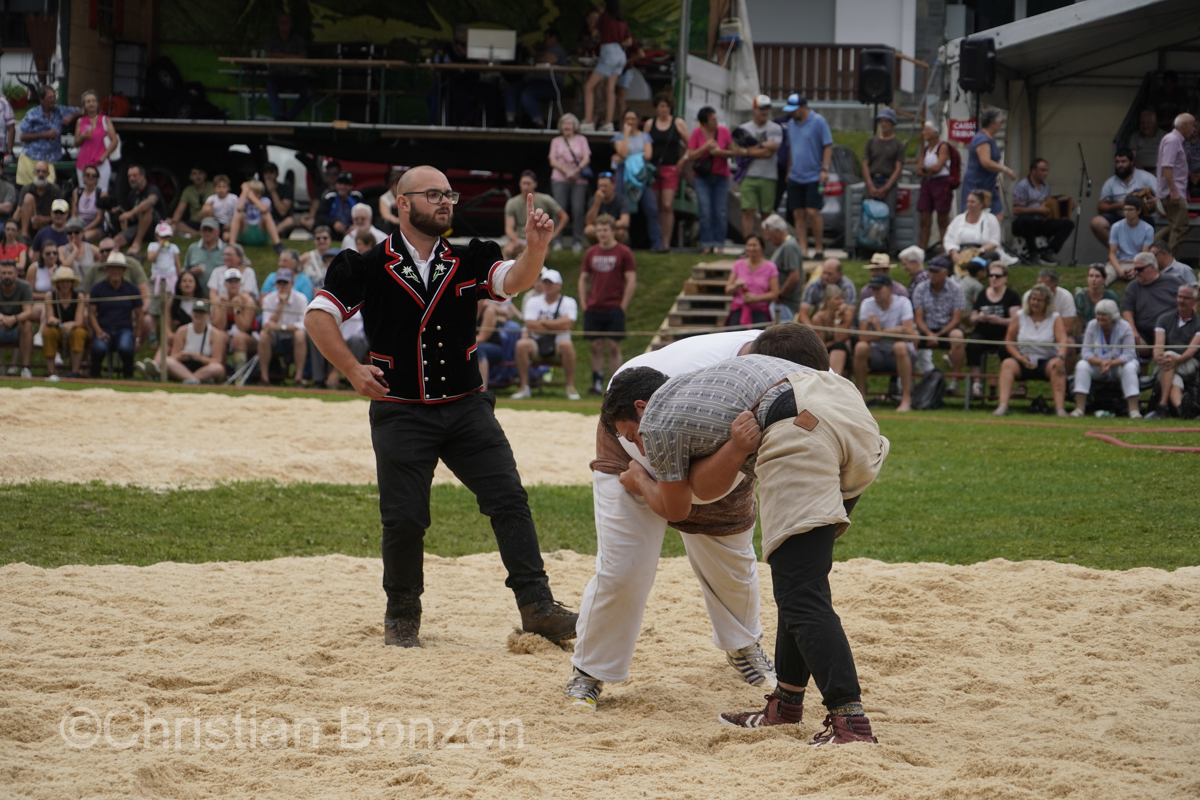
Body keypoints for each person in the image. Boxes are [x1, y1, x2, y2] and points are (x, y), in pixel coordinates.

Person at [305, 166, 579, 647]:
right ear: (402, 203)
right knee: (405, 518)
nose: (446, 202)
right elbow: (317, 316)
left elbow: (513, 280)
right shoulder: (365, 265)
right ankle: (403, 615)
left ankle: (537, 606)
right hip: (401, 410)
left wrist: (536, 247)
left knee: (510, 500)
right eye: (433, 195)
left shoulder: (470, 258)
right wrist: (351, 368)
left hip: (467, 406)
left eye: (448, 194)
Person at [602, 348, 888, 746]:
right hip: (852, 412)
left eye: (634, 436)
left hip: (799, 424)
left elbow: (677, 506)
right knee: (799, 583)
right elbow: (707, 484)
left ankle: (850, 723)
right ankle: (786, 704)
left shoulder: (660, 417)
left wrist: (640, 481)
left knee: (801, 593)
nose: (643, 449)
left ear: (641, 407)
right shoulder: (705, 388)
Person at [566, 326, 835, 711]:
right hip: (633, 436)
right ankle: (589, 670)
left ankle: (743, 645)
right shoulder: (683, 392)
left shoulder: (807, 364)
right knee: (623, 566)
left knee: (731, 557)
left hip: (724, 444)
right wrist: (642, 479)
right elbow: (682, 503)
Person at [579, 215, 636, 395]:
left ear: (613, 231)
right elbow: (583, 279)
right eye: (599, 230)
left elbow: (631, 280)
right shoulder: (591, 252)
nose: (601, 234)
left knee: (613, 346)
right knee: (595, 346)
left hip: (614, 305)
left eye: (605, 230)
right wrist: (584, 303)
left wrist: (623, 306)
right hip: (594, 306)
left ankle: (615, 384)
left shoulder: (624, 252)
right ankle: (596, 382)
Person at [995, 284, 1068, 417]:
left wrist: (1061, 357)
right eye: (1033, 299)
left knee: (1057, 367)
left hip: (1047, 360)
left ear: (1047, 302)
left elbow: (1063, 340)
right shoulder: (1020, 315)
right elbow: (1009, 341)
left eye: (1039, 300)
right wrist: (1019, 357)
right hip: (1024, 360)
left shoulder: (1055, 317)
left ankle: (1060, 409)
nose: (1035, 302)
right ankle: (1002, 406)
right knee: (1007, 364)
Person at [513, 269, 579, 399]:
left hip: (558, 343)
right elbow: (530, 325)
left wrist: (543, 322)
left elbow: (567, 325)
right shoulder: (533, 301)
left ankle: (570, 387)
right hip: (536, 343)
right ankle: (524, 386)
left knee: (567, 345)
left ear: (559, 285)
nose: (547, 286)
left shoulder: (568, 302)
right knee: (522, 344)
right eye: (545, 283)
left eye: (551, 283)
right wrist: (557, 324)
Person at [855, 273, 916, 412]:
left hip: (901, 354)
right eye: (873, 289)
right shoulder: (867, 304)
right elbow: (862, 337)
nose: (875, 292)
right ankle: (861, 397)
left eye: (878, 288)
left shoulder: (903, 302)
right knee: (860, 348)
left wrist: (878, 331)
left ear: (889, 289)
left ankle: (906, 398)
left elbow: (909, 334)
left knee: (900, 346)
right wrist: (889, 331)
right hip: (878, 353)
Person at [1071, 299, 1141, 419]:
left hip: (1119, 365)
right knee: (1082, 365)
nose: (1099, 317)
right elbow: (1086, 352)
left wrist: (1111, 363)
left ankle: (1134, 411)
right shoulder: (1092, 325)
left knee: (1129, 367)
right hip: (1098, 366)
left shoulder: (1125, 327)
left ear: (1113, 316)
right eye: (1098, 314)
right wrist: (1101, 362)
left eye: (1104, 315)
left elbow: (1129, 354)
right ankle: (1079, 409)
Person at [783, 93, 833, 259]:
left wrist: (824, 169)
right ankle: (803, 249)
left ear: (803, 108)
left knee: (812, 211)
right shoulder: (791, 124)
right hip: (796, 175)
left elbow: (827, 145)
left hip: (814, 175)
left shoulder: (819, 122)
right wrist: (789, 171)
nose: (791, 113)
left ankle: (818, 248)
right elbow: (792, 149)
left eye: (794, 110)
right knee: (798, 213)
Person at [611, 109, 664, 252]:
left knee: (651, 208)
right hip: (624, 174)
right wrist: (626, 136)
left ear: (638, 121)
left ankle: (657, 243)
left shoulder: (645, 137)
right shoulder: (618, 137)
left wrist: (627, 157)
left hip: (641, 175)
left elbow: (648, 155)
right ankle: (622, 244)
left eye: (633, 119)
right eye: (627, 119)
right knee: (624, 208)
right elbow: (623, 153)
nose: (630, 122)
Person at [966, 263, 1021, 399]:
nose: (993, 279)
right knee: (972, 345)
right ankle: (976, 384)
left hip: (1003, 333)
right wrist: (978, 318)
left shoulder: (1011, 296)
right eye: (991, 275)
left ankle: (1005, 384)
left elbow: (1016, 321)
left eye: (997, 276)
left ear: (1005, 278)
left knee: (1005, 348)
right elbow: (972, 318)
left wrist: (999, 320)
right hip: (983, 332)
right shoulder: (982, 294)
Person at [645, 93, 691, 251]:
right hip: (653, 168)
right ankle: (657, 240)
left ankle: (666, 241)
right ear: (657, 108)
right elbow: (645, 143)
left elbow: (691, 144)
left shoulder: (677, 123)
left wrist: (684, 158)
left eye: (667, 106)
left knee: (667, 204)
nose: (665, 109)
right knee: (655, 205)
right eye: (662, 106)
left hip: (671, 167)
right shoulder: (650, 124)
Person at [735, 95, 784, 238]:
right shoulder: (744, 129)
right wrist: (762, 146)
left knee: (766, 213)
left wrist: (749, 150)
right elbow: (739, 151)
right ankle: (748, 245)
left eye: (767, 108)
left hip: (768, 175)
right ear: (754, 109)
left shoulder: (775, 128)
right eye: (761, 108)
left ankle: (763, 246)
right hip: (748, 175)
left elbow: (769, 152)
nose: (764, 112)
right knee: (747, 211)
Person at [1147, 285, 1200, 419]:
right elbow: (1158, 344)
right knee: (1173, 378)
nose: (1181, 301)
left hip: (1187, 363)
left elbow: (1191, 350)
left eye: (1186, 298)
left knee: (1169, 358)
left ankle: (1162, 406)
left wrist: (1176, 359)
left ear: (1194, 301)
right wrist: (1159, 358)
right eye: (1179, 297)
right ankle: (1181, 409)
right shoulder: (1164, 319)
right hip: (1166, 364)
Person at [687, 106, 735, 254]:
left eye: (716, 118)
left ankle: (719, 244)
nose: (716, 121)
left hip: (721, 177)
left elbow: (734, 152)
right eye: (712, 119)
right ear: (704, 123)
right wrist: (705, 147)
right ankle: (706, 244)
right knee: (705, 211)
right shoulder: (696, 133)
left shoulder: (724, 132)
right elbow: (691, 155)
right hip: (702, 178)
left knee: (720, 212)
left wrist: (720, 152)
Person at [912, 256, 965, 386]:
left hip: (947, 329)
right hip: (925, 328)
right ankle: (909, 379)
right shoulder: (920, 288)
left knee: (957, 336)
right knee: (911, 336)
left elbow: (956, 319)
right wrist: (929, 334)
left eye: (936, 271)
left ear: (946, 272)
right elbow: (918, 318)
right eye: (931, 271)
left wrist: (938, 335)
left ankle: (955, 379)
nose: (932, 274)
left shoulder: (956, 289)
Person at [1010, 158, 1075, 266]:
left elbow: (1047, 205)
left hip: (1039, 221)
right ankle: (1033, 253)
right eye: (1043, 170)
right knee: (1028, 221)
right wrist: (1037, 210)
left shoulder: (1045, 187)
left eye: (1047, 170)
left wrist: (1066, 208)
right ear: (1033, 171)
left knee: (1068, 224)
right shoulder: (1022, 185)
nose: (1046, 173)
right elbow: (1016, 210)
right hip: (1022, 223)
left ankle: (1049, 251)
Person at [581, 0, 632, 132]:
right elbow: (629, 41)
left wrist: (599, 16)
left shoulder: (605, 17)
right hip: (621, 55)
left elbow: (593, 33)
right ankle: (608, 123)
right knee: (610, 88)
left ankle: (588, 121)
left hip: (609, 52)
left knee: (588, 87)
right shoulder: (622, 21)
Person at [87, 254, 141, 378]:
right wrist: (98, 332)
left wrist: (137, 337)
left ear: (124, 270)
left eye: (119, 268)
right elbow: (91, 313)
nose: (115, 271)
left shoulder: (133, 289)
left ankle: (128, 377)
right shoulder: (97, 288)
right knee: (98, 348)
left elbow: (139, 314)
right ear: (107, 269)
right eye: (112, 268)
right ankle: (94, 377)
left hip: (124, 329)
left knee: (126, 347)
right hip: (103, 328)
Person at [1090, 149, 1156, 247]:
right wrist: (1119, 205)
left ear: (1132, 162)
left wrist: (1153, 201)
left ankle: (1135, 254)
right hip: (1118, 215)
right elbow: (1101, 207)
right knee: (1096, 222)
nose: (1120, 165)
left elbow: (1161, 197)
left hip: (1141, 216)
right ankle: (1118, 251)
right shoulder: (1110, 182)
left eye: (1123, 162)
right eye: (1117, 162)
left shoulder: (1146, 177)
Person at [16, 86, 80, 187]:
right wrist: (44, 134)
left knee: (48, 189)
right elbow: (23, 137)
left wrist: (71, 116)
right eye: (50, 97)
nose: (53, 99)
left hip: (52, 158)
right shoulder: (32, 114)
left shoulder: (60, 111)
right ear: (41, 99)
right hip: (32, 157)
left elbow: (83, 110)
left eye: (54, 97)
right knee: (29, 190)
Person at [1122, 254, 1185, 355]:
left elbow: (1189, 302)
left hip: (1170, 331)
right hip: (1143, 333)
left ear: (1151, 267)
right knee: (1128, 341)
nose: (1136, 273)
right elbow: (1127, 312)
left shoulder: (1173, 282)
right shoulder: (1133, 287)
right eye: (1135, 269)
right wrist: (1133, 332)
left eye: (1140, 269)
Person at [505, 28, 568, 129]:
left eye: (547, 38)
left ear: (554, 38)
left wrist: (533, 55)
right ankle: (510, 122)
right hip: (533, 82)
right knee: (511, 89)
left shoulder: (557, 48)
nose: (545, 41)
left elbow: (546, 59)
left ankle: (539, 124)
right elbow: (539, 57)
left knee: (527, 94)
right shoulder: (545, 50)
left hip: (551, 84)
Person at [862, 108, 905, 254]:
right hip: (873, 180)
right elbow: (865, 163)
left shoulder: (898, 144)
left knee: (890, 217)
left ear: (892, 123)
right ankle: (867, 247)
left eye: (887, 121)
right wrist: (869, 184)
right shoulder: (871, 141)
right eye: (881, 121)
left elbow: (898, 168)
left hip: (889, 182)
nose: (883, 124)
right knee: (868, 215)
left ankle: (890, 250)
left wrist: (886, 187)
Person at [257, 267, 308, 386]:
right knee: (264, 335)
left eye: (285, 283)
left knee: (300, 334)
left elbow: (303, 325)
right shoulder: (268, 299)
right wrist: (281, 305)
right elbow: (266, 325)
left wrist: (280, 327)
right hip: (275, 338)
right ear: (275, 284)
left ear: (292, 284)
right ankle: (264, 378)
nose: (282, 286)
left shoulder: (301, 299)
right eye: (279, 283)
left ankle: (298, 378)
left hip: (293, 339)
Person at [962, 108, 1016, 221]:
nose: (1001, 125)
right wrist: (1006, 169)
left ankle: (992, 238)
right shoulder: (982, 139)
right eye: (1000, 122)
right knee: (976, 216)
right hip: (977, 183)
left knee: (997, 214)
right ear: (993, 123)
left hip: (989, 183)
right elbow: (985, 162)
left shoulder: (989, 138)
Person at [549, 114, 591, 254]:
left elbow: (586, 157)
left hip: (578, 179)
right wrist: (566, 171)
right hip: (560, 178)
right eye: (564, 123)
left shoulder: (582, 139)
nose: (567, 126)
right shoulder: (556, 140)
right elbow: (552, 160)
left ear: (575, 126)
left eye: (569, 123)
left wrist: (576, 171)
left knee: (578, 210)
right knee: (558, 210)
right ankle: (557, 240)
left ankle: (578, 241)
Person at [503, 171, 566, 259]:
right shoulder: (512, 203)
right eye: (523, 183)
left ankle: (539, 272)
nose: (525, 187)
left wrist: (553, 235)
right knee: (507, 251)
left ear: (535, 184)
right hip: (520, 238)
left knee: (543, 254)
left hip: (539, 238)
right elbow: (508, 228)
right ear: (519, 184)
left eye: (528, 183)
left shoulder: (545, 199)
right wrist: (516, 239)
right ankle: (508, 272)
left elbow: (564, 216)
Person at [1157, 113, 1196, 257]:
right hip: (1173, 193)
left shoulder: (1175, 140)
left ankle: (1151, 250)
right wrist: (1173, 191)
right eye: (1192, 125)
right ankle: (1169, 262)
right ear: (1184, 125)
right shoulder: (1173, 140)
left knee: (1175, 226)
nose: (1194, 129)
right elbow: (1167, 167)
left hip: (1176, 191)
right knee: (1179, 228)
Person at [164, 300, 228, 385]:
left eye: (202, 312)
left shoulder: (215, 334)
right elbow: (173, 356)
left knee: (218, 368)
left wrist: (202, 358)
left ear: (208, 315)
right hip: (185, 366)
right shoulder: (182, 331)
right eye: (196, 312)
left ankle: (189, 379)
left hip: (204, 368)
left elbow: (217, 360)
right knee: (167, 361)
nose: (198, 315)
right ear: (191, 314)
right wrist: (181, 356)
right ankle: (192, 379)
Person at [263, 13, 313, 121]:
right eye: (282, 22)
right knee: (270, 86)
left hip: (294, 77)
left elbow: (303, 58)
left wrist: (281, 55)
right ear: (278, 24)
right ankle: (278, 115)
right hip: (276, 76)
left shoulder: (298, 40)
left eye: (287, 22)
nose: (285, 24)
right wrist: (292, 57)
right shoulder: (271, 40)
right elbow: (267, 57)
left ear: (291, 24)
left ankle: (289, 117)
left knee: (308, 92)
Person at [42, 266, 88, 378]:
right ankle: (51, 372)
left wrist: (71, 324)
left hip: (74, 328)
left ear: (72, 283)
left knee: (79, 333)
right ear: (57, 283)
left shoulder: (79, 296)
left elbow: (79, 321)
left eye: (68, 281)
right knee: (48, 332)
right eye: (62, 281)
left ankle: (75, 371)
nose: (65, 284)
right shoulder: (50, 296)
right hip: (56, 328)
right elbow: (49, 318)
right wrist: (53, 320)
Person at [724, 234, 778, 328]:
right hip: (739, 311)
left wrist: (756, 298)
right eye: (749, 245)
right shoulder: (738, 264)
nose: (751, 248)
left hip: (759, 311)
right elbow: (728, 290)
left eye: (754, 245)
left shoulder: (770, 267)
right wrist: (736, 285)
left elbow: (775, 293)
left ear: (762, 248)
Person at [209, 268, 256, 371]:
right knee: (219, 336)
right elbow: (219, 326)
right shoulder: (219, 300)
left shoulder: (248, 301)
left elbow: (243, 328)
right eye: (230, 281)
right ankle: (221, 372)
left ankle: (239, 376)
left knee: (239, 338)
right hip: (227, 334)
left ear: (240, 284)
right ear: (225, 284)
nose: (233, 284)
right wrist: (224, 307)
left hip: (248, 337)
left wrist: (237, 309)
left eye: (236, 281)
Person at [915, 121, 953, 249]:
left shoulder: (942, 147)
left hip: (941, 183)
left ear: (935, 132)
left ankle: (945, 249)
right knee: (924, 219)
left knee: (942, 219)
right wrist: (927, 170)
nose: (923, 133)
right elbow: (918, 170)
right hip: (927, 183)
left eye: (926, 130)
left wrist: (925, 169)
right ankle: (922, 250)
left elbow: (938, 167)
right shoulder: (926, 149)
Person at [113, 164, 165, 256]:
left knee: (146, 209)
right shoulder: (131, 194)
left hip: (156, 228)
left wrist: (131, 213)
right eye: (129, 176)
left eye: (134, 176)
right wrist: (127, 216)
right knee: (117, 239)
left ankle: (137, 243)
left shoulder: (152, 189)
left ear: (142, 176)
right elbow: (131, 216)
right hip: (139, 226)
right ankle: (114, 252)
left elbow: (150, 202)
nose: (132, 179)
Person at [73, 89, 119, 192]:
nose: (91, 104)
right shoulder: (80, 121)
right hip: (83, 163)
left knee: (101, 192)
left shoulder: (105, 120)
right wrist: (82, 136)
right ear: (84, 105)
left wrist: (104, 155)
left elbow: (114, 141)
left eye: (93, 101)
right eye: (88, 101)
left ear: (97, 103)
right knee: (84, 192)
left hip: (100, 162)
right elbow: (76, 143)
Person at [761, 213, 803, 323]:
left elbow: (794, 276)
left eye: (769, 234)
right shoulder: (784, 245)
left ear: (778, 231)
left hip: (786, 305)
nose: (767, 238)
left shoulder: (789, 246)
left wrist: (779, 296)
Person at [311, 309, 367, 390]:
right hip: (333, 342)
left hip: (356, 343)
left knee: (356, 341)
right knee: (316, 338)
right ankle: (318, 380)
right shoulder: (330, 309)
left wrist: (335, 370)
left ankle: (352, 381)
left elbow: (344, 340)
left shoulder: (356, 312)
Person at [943, 189, 1004, 263]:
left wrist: (980, 250)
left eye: (972, 202)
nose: (969, 204)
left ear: (981, 204)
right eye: (968, 201)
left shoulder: (990, 219)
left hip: (981, 252)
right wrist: (954, 253)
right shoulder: (958, 219)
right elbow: (949, 239)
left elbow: (995, 241)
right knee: (940, 260)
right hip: (961, 251)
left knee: (992, 256)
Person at [1107, 199, 1156, 284]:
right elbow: (1112, 253)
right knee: (1104, 277)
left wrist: (1135, 268)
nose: (1127, 212)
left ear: (1138, 211)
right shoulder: (1116, 227)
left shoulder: (1148, 229)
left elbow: (1144, 254)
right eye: (1125, 209)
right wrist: (1119, 270)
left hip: (1137, 262)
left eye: (1130, 210)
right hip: (1119, 261)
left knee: (1144, 278)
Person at [145, 220, 182, 336]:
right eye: (162, 236)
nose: (165, 239)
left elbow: (177, 263)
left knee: (169, 305)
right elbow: (151, 259)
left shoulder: (173, 247)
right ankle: (153, 331)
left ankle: (168, 329)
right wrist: (160, 246)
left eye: (167, 236)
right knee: (154, 307)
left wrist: (179, 276)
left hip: (171, 279)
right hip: (157, 279)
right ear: (157, 236)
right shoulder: (152, 246)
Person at [228, 179, 282, 253]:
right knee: (238, 214)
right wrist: (244, 192)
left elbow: (264, 209)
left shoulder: (265, 200)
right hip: (246, 231)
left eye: (249, 192)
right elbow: (239, 208)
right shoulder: (245, 200)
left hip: (260, 231)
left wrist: (252, 197)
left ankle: (278, 244)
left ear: (259, 193)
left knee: (267, 215)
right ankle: (232, 246)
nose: (248, 195)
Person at [0, 260, 34, 377]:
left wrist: (13, 319)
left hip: (17, 328)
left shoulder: (24, 286)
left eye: (9, 273)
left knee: (27, 325)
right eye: (3, 273)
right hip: (1, 325)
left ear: (15, 274)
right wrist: (1, 317)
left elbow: (28, 312)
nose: (6, 276)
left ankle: (25, 368)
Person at [811, 285, 854, 375]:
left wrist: (837, 319)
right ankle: (833, 379)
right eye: (837, 299)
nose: (841, 302)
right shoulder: (818, 319)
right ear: (827, 301)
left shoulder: (847, 315)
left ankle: (834, 379)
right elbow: (820, 347)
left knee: (840, 345)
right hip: (825, 355)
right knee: (839, 346)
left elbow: (839, 338)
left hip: (844, 353)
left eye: (841, 298)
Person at [799, 257, 855, 325]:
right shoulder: (813, 286)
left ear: (840, 274)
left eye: (829, 274)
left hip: (842, 324)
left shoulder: (847, 287)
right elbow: (802, 313)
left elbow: (849, 314)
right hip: (820, 325)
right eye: (824, 273)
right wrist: (812, 333)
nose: (825, 277)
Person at [16, 160, 64, 239]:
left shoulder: (55, 190)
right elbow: (19, 210)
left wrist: (46, 219)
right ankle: (24, 236)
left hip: (48, 224)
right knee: (28, 197)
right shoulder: (26, 188)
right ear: (34, 172)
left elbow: (63, 213)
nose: (40, 174)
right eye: (38, 171)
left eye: (43, 172)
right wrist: (12, 224)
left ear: (48, 174)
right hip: (29, 223)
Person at [1075, 264, 1120, 339]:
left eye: (1097, 276)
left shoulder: (1111, 296)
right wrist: (1077, 339)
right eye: (1091, 276)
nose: (1093, 279)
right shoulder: (1081, 296)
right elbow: (1080, 320)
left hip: (1107, 333)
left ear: (1104, 279)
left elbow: (1116, 320)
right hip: (1086, 334)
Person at [313, 173, 363, 239]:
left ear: (351, 186)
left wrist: (356, 225)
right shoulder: (330, 197)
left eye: (345, 184)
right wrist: (334, 223)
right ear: (336, 185)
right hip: (333, 228)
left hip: (352, 228)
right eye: (340, 183)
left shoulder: (357, 197)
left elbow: (365, 214)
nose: (342, 187)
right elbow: (319, 216)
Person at [583, 173, 629, 243]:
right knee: (588, 230)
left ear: (614, 186)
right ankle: (597, 250)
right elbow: (588, 222)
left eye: (605, 186)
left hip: (614, 229)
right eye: (600, 186)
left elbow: (625, 222)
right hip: (598, 229)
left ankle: (617, 251)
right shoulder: (593, 199)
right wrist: (597, 202)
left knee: (621, 233)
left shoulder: (621, 200)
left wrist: (607, 228)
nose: (602, 189)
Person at [171, 166, 214, 236]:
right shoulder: (188, 190)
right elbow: (180, 210)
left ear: (205, 175)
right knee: (169, 221)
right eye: (194, 174)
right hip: (193, 222)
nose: (198, 176)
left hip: (209, 221)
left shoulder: (213, 187)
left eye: (200, 173)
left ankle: (195, 233)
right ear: (190, 177)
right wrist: (174, 223)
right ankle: (196, 233)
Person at [183, 218, 225, 286]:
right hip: (196, 293)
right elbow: (184, 271)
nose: (207, 233)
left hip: (219, 292)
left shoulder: (226, 249)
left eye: (210, 230)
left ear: (217, 232)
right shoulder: (193, 248)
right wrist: (191, 271)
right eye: (204, 230)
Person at [71, 164, 106, 242]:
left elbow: (99, 218)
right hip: (78, 223)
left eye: (94, 175)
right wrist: (75, 227)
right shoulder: (77, 192)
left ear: (97, 178)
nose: (90, 177)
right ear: (83, 177)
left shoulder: (101, 194)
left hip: (95, 226)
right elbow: (73, 214)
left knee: (82, 238)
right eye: (87, 175)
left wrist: (84, 229)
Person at [262, 162, 295, 238]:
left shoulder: (286, 189)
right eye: (266, 173)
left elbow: (283, 212)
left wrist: (273, 191)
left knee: (290, 221)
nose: (269, 175)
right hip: (263, 221)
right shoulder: (260, 189)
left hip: (279, 222)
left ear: (277, 174)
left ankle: (271, 236)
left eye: (271, 172)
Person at [378, 168, 403, 233]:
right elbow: (385, 215)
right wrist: (396, 220)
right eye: (396, 184)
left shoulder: (407, 196)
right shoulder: (384, 198)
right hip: (391, 227)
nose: (399, 187)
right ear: (391, 185)